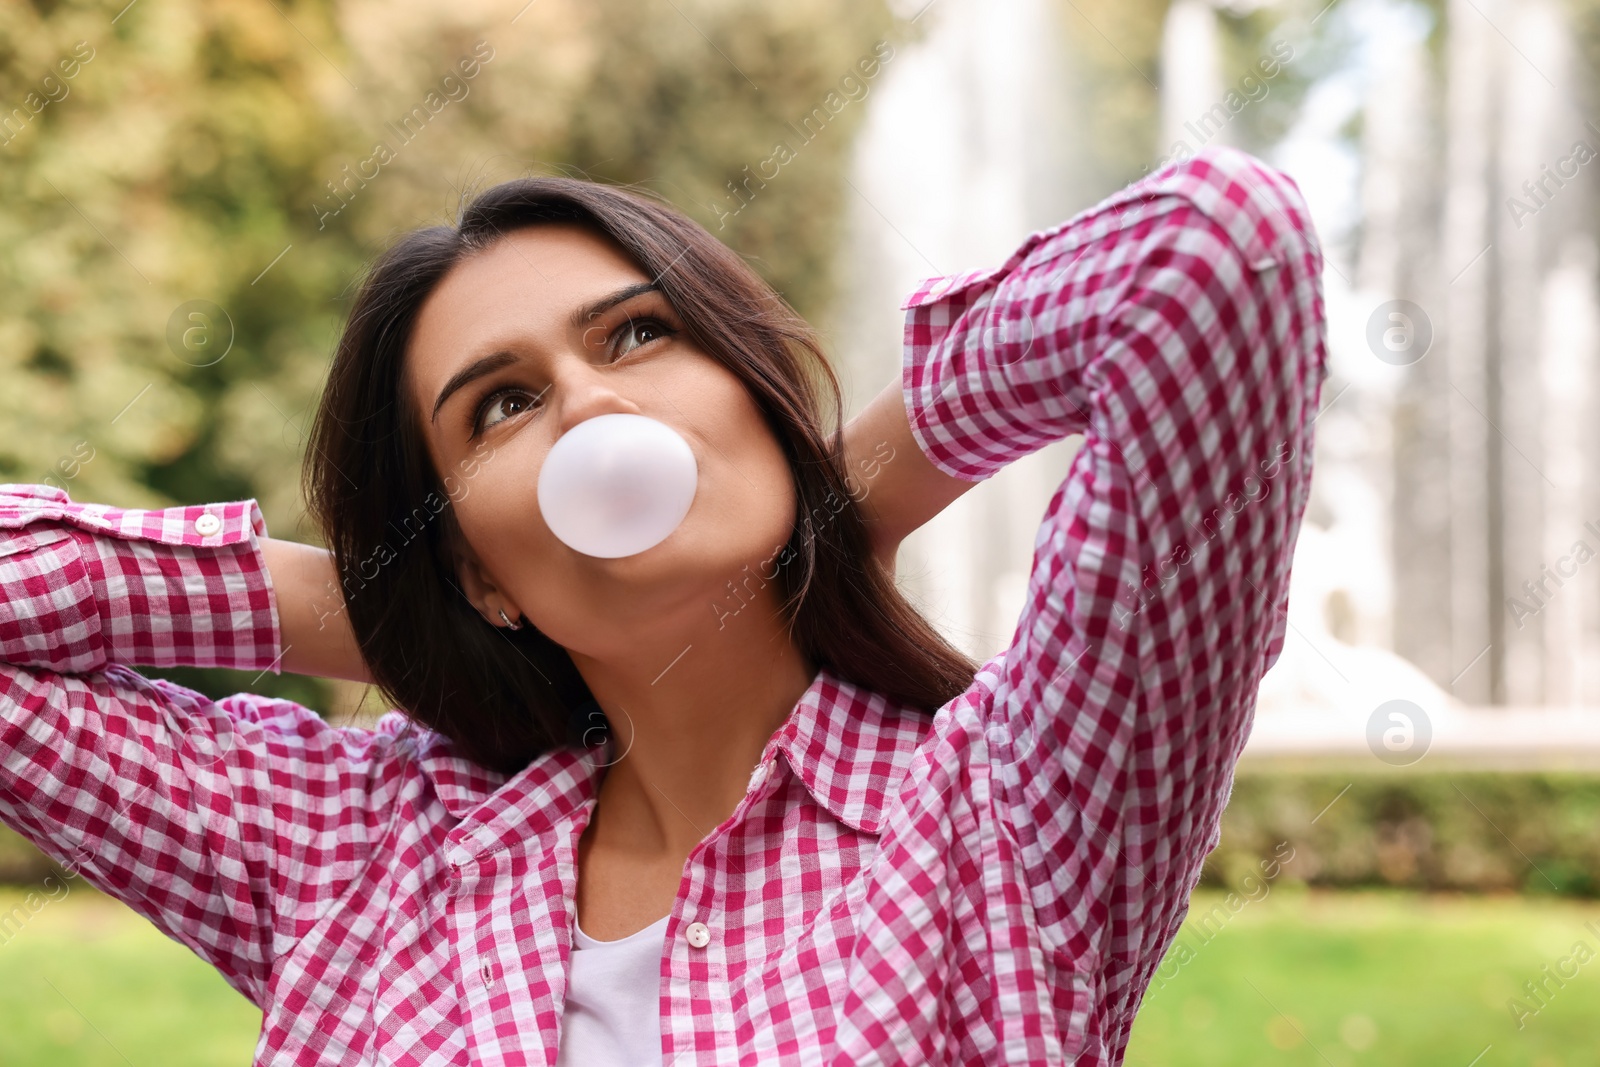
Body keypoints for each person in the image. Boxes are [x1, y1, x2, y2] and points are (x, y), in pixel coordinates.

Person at [0, 144, 1326, 1066]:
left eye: (637, 333)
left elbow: (1217, 253)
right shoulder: (349, 849)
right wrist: (359, 609)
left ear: (749, 390)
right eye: (503, 403)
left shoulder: (1016, 816)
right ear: (473, 561)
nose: (590, 404)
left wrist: (847, 495)